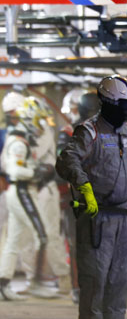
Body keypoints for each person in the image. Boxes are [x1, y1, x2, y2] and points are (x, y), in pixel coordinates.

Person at [56, 75, 127, 319]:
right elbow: (67, 160)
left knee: (120, 280)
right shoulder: (89, 132)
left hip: (123, 215)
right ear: (107, 102)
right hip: (97, 217)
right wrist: (84, 187)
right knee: (95, 280)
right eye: (124, 105)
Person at [0, 98, 69, 300]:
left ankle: (5, 282)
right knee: (40, 236)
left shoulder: (30, 134)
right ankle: (36, 281)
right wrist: (33, 171)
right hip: (24, 189)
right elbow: (13, 168)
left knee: (19, 239)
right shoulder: (20, 138)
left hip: (34, 189)